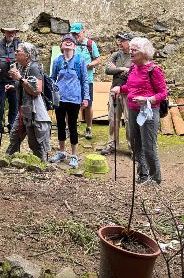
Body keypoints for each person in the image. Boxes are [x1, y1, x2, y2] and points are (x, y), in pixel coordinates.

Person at [111, 37, 168, 185]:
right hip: (133, 110)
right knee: (136, 145)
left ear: (144, 53)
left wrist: (147, 100)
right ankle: (142, 175)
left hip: (148, 112)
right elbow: (131, 88)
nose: (130, 52)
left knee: (149, 146)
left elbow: (163, 94)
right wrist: (120, 88)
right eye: (130, 49)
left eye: (134, 50)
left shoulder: (153, 70)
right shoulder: (133, 68)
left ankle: (155, 179)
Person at [4, 42, 51, 161]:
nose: (15, 52)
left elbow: (37, 90)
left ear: (27, 55)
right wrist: (14, 86)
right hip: (23, 109)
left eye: (18, 51)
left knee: (35, 142)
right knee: (14, 136)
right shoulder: (22, 67)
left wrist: (19, 79)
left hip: (33, 112)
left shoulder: (34, 67)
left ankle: (41, 165)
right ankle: (6, 160)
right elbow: (25, 85)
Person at [48, 34, 89, 167]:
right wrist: (50, 95)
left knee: (72, 126)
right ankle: (61, 152)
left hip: (74, 98)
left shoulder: (79, 61)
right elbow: (52, 79)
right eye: (65, 41)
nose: (68, 43)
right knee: (60, 125)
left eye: (71, 41)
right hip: (59, 98)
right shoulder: (57, 61)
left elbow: (84, 80)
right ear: (61, 46)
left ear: (74, 46)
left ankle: (74, 155)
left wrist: (86, 97)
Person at [101, 32, 134, 155]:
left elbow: (132, 74)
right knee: (113, 119)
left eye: (123, 40)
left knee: (129, 120)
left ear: (130, 42)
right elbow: (108, 69)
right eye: (119, 40)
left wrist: (120, 70)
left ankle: (133, 148)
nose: (119, 42)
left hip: (128, 92)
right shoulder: (116, 55)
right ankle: (112, 145)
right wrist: (121, 69)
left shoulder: (134, 56)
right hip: (114, 91)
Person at [70, 23, 100, 139]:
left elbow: (97, 60)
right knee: (71, 104)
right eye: (73, 33)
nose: (75, 36)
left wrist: (87, 65)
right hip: (72, 80)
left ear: (83, 31)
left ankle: (89, 128)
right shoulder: (70, 43)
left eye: (77, 33)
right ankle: (70, 128)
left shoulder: (90, 44)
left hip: (87, 79)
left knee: (88, 104)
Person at [0, 27, 20, 135]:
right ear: (4, 33)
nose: (11, 34)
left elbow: (24, 59)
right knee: (0, 104)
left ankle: (12, 126)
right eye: (8, 32)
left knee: (14, 104)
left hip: (14, 80)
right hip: (0, 80)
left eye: (13, 32)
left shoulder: (19, 44)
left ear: (15, 33)